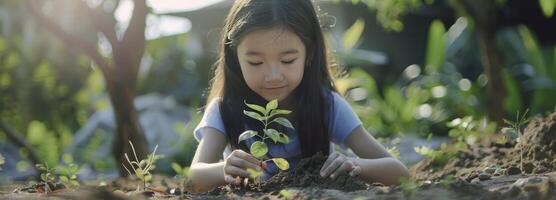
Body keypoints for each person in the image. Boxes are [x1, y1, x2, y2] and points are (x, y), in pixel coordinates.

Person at [188, 0, 409, 192]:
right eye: (255, 62)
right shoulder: (225, 110)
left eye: (287, 61)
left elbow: (399, 173)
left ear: (309, 54)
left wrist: (355, 165)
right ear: (236, 58)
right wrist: (224, 169)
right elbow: (194, 177)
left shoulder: (326, 106)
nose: (273, 76)